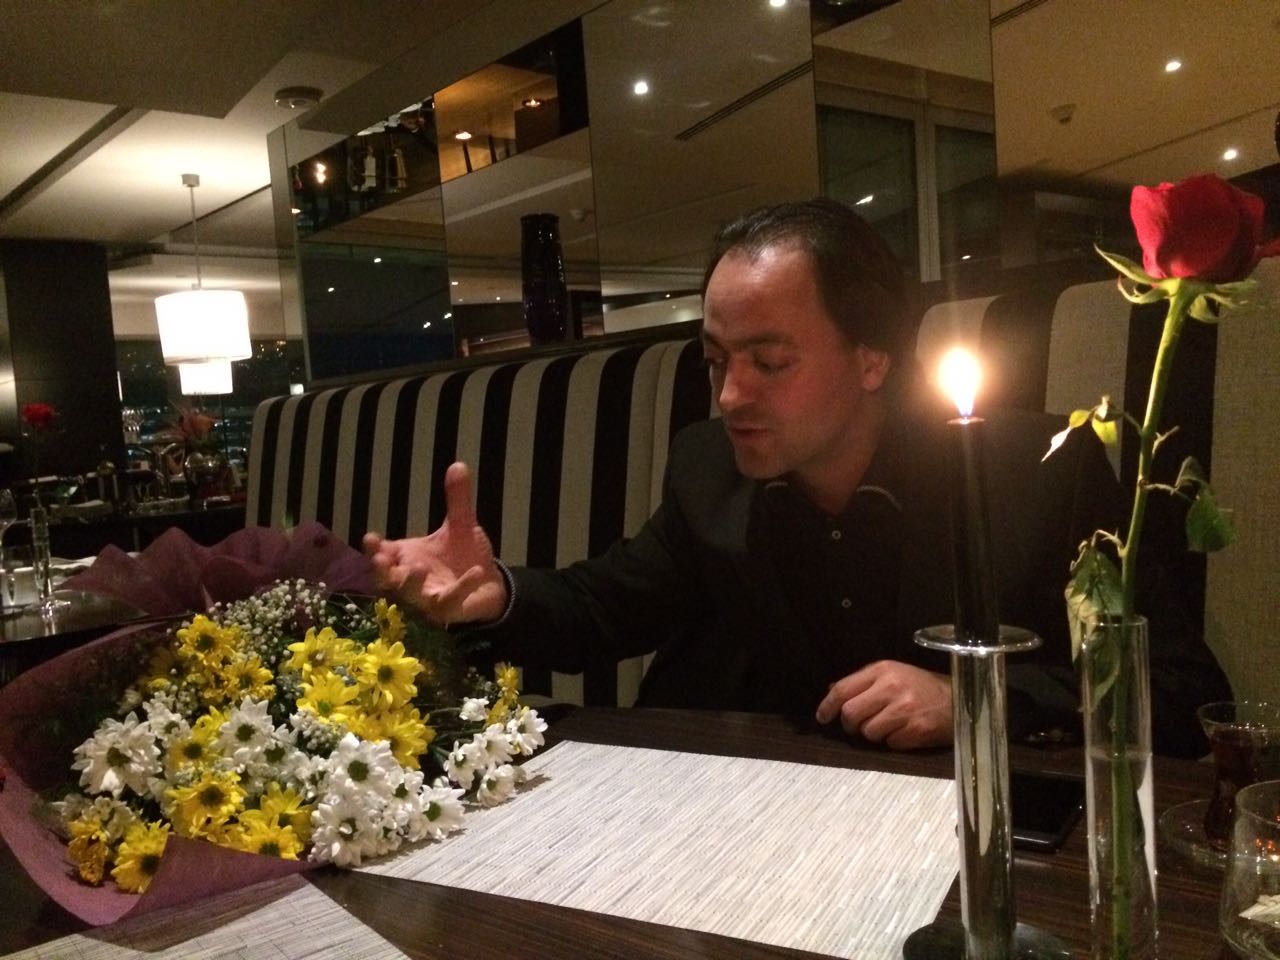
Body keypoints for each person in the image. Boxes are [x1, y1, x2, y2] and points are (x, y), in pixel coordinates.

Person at [364, 197, 1229, 756]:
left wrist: (977, 698)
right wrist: (496, 595)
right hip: (765, 819)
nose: (731, 396)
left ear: (872, 359)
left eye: (770, 362)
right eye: (716, 361)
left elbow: (1183, 690)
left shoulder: (1035, 474)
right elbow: (605, 606)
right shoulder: (710, 470)